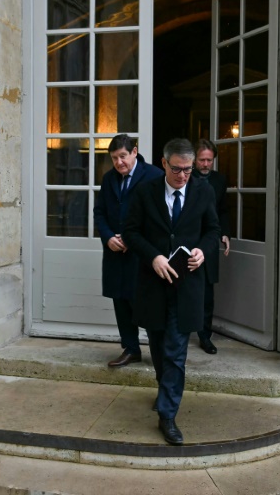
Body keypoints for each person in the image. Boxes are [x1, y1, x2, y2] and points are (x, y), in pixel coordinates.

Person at [123, 138, 221, 445]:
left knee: (176, 352)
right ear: (164, 163)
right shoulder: (144, 191)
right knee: (158, 345)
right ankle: (164, 388)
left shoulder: (203, 190)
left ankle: (167, 414)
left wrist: (204, 251)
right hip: (152, 286)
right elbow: (130, 232)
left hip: (187, 285)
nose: (182, 176)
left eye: (188, 170)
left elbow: (212, 230)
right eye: (177, 169)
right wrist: (153, 256)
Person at [94, 134, 163, 367]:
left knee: (146, 303)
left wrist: (135, 237)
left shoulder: (154, 176)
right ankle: (131, 348)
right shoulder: (108, 178)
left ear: (134, 151)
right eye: (114, 158)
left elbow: (161, 215)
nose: (119, 162)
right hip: (115, 252)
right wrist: (107, 237)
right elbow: (99, 212)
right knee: (120, 302)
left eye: (122, 156)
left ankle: (159, 353)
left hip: (142, 253)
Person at [193, 138, 231, 355]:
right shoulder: (184, 177)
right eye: (202, 160)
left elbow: (223, 209)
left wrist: (225, 233)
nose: (206, 164)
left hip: (209, 242)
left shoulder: (219, 180)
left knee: (207, 293)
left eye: (209, 160)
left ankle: (205, 336)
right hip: (188, 241)